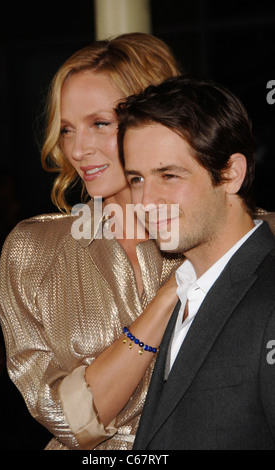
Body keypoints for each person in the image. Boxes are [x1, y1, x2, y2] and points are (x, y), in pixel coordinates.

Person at [0, 33, 183, 451]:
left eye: (100, 123)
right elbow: (64, 416)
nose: (77, 150)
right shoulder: (32, 250)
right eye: (66, 130)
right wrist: (171, 295)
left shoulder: (238, 235)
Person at [116, 75, 275, 450]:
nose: (146, 200)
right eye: (137, 179)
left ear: (231, 174)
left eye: (169, 175)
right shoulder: (186, 288)